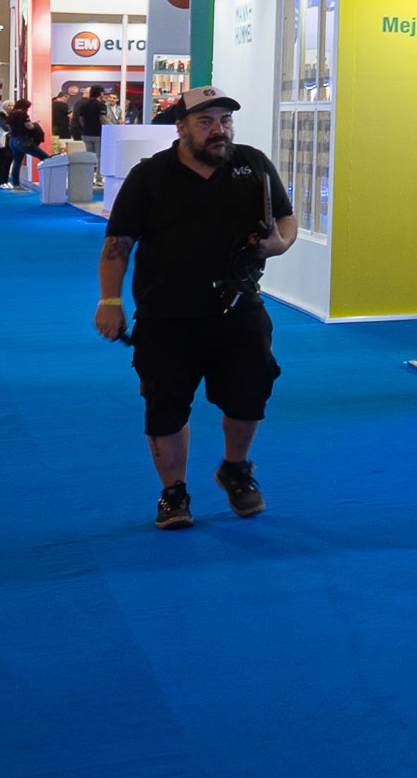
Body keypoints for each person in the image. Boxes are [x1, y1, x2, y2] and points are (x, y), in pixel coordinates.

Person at [98, 93, 296, 530]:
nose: (218, 130)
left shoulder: (252, 164)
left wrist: (279, 243)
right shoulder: (150, 176)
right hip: (166, 313)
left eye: (224, 120)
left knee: (251, 391)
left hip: (239, 304)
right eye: (205, 121)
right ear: (181, 127)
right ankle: (174, 493)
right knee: (164, 403)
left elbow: (286, 218)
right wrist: (110, 301)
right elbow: (117, 244)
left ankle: (235, 468)